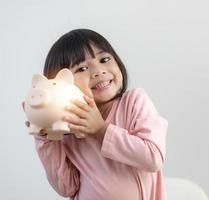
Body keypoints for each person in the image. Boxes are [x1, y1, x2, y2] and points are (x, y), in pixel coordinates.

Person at [23, 29, 168, 200]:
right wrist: (47, 139)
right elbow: (66, 187)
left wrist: (101, 130)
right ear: (61, 83)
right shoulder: (70, 126)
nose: (98, 71)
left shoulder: (134, 101)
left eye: (104, 59)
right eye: (82, 68)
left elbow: (153, 158)